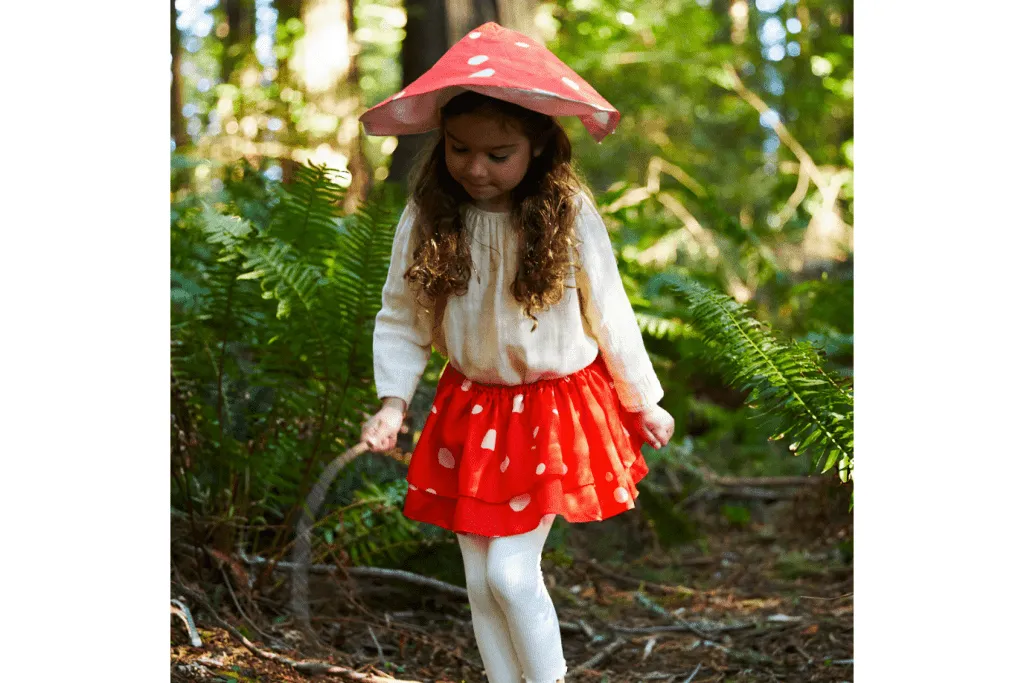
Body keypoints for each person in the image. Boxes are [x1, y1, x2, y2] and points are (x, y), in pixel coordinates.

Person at [358, 22, 675, 683]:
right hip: (470, 407)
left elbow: (609, 309)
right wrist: (393, 401)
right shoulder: (427, 216)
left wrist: (642, 398)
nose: (476, 168)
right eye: (459, 149)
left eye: (498, 153)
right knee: (479, 582)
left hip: (551, 409)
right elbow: (402, 315)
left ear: (537, 145)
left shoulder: (567, 211)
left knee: (509, 571)